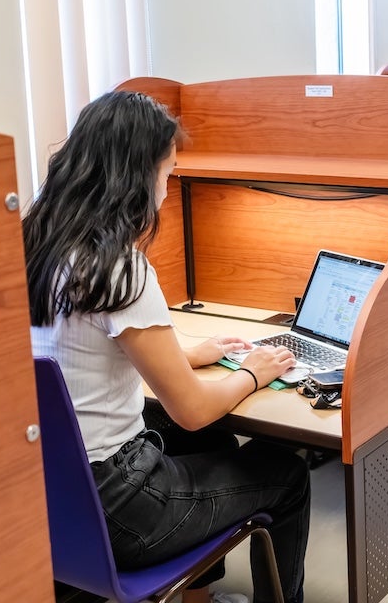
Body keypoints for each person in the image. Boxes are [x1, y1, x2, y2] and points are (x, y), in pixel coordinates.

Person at [24, 90, 310, 603]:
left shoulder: (36, 246)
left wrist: (185, 354)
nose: (169, 184)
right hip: (121, 507)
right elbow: (194, 410)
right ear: (137, 174)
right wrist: (254, 372)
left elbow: (84, 350)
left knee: (213, 446)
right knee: (285, 471)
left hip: (53, 496)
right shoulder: (118, 265)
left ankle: (197, 600)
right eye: (167, 170)